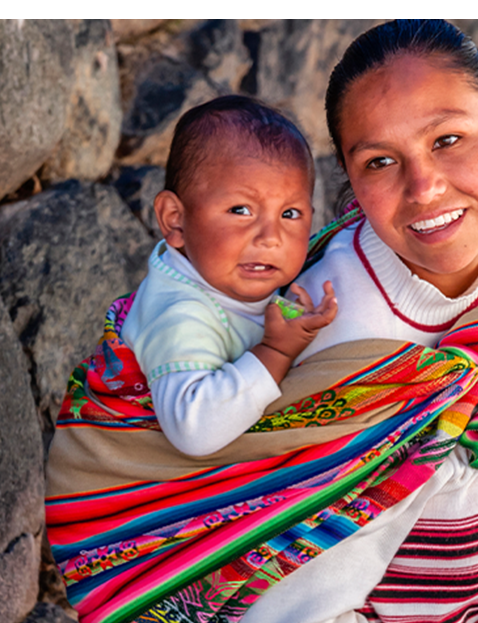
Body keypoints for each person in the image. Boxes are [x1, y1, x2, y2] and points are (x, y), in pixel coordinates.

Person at [138, 18, 478, 623]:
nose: (425, 188)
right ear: (350, 174)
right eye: (383, 161)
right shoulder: (365, 360)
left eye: (449, 140)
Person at [120, 95, 337, 457]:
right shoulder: (180, 313)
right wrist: (276, 350)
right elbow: (195, 430)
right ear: (175, 219)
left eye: (290, 214)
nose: (270, 237)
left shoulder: (224, 280)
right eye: (241, 210)